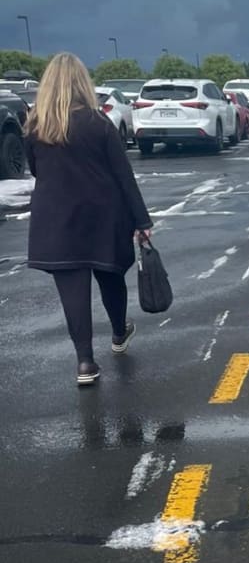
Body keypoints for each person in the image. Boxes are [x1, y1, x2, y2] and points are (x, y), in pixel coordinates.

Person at [24, 52, 153, 386]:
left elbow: (37, 170)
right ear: (83, 83)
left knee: (72, 291)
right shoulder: (99, 124)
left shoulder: (36, 125)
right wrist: (142, 220)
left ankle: (85, 362)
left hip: (55, 220)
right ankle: (118, 332)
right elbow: (124, 177)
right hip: (102, 217)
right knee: (111, 278)